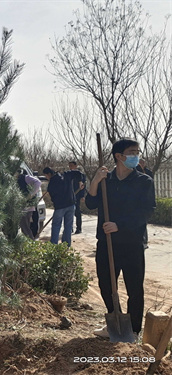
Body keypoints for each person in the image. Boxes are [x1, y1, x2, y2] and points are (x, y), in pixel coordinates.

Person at [85, 138, 155, 339]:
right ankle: (114, 322)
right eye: (132, 152)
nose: (136, 156)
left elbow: (146, 212)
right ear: (119, 156)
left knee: (134, 287)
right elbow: (90, 203)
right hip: (107, 243)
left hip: (132, 243)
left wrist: (120, 225)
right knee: (106, 284)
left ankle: (133, 330)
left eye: (137, 152)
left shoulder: (143, 182)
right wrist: (95, 181)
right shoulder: (107, 181)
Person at [42, 166, 82, 247]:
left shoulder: (52, 183)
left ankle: (54, 245)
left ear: (49, 174)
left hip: (59, 207)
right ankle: (66, 245)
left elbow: (52, 196)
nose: (46, 177)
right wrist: (80, 181)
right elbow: (78, 173)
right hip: (70, 204)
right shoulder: (66, 175)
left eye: (46, 175)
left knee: (56, 225)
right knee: (68, 225)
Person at [16, 169, 41, 239]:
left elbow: (38, 182)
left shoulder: (25, 178)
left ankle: (30, 243)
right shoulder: (13, 180)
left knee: (25, 228)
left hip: (26, 207)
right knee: (25, 227)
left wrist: (31, 194)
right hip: (19, 207)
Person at [68, 161, 86, 234]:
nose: (70, 167)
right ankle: (70, 228)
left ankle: (78, 228)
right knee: (69, 213)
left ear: (75, 166)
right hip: (69, 196)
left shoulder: (81, 175)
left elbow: (83, 186)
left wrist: (82, 196)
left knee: (77, 212)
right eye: (69, 166)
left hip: (77, 195)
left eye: (72, 165)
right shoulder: (68, 175)